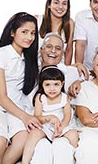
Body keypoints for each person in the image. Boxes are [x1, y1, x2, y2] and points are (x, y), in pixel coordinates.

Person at [0, 12, 42, 164]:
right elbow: (1, 97)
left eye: (32, 33)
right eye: (24, 32)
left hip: (12, 110)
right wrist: (25, 116)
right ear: (12, 32)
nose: (29, 37)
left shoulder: (28, 60)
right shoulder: (0, 54)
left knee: (23, 138)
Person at [26, 32, 87, 164]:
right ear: (41, 50)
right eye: (49, 46)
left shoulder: (69, 71)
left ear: (63, 53)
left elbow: (91, 78)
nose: (53, 51)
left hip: (62, 125)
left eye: (58, 48)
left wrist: (79, 81)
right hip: (40, 123)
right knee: (41, 147)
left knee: (66, 142)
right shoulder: (30, 69)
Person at [22, 66, 78, 164]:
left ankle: (73, 158)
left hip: (61, 125)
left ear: (62, 84)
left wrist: (61, 127)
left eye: (56, 84)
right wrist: (49, 118)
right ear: (42, 85)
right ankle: (25, 161)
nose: (52, 89)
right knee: (34, 134)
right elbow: (38, 117)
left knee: (73, 134)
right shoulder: (40, 97)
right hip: (45, 125)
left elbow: (67, 115)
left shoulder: (65, 97)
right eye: (47, 85)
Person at [37, 0, 74, 65]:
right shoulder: (37, 20)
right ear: (49, 5)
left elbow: (69, 50)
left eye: (64, 3)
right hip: (36, 68)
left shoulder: (70, 23)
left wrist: (66, 71)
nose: (60, 7)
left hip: (58, 70)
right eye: (56, 3)